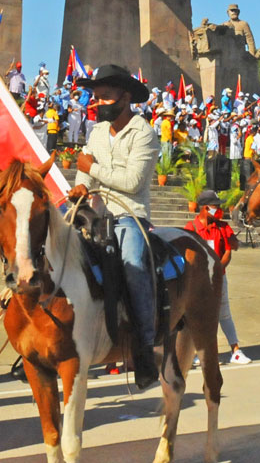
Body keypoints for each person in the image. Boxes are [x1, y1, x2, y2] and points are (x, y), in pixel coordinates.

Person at [69, 65, 160, 389]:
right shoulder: (96, 132)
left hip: (129, 215)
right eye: (95, 96)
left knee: (134, 265)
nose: (98, 102)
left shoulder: (144, 132)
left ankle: (144, 349)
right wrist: (80, 186)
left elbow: (133, 182)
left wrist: (91, 168)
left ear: (125, 96)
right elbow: (84, 173)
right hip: (94, 213)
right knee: (54, 253)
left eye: (105, 96)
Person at [184, 190, 251, 364]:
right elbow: (187, 255)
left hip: (219, 278)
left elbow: (229, 250)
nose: (219, 210)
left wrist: (218, 271)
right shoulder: (191, 228)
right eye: (215, 206)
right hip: (198, 280)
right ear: (205, 208)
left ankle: (235, 351)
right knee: (198, 316)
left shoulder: (222, 227)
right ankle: (199, 353)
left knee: (224, 314)